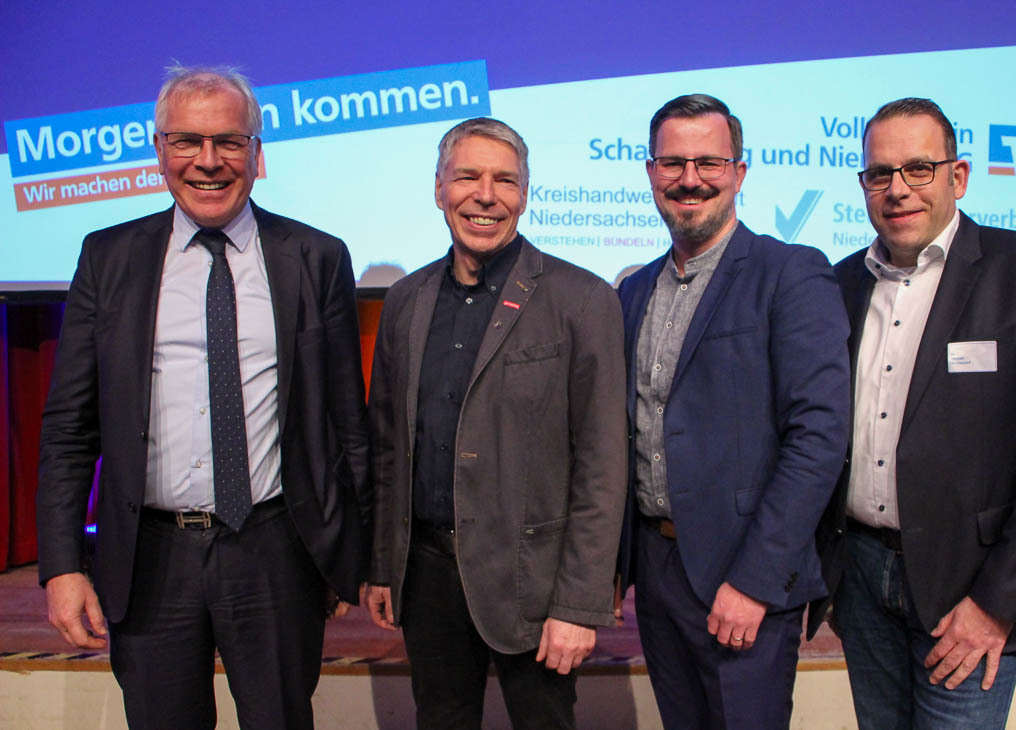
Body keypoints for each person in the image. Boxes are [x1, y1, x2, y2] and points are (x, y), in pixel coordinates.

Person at [36, 65, 370, 730]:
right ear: (159, 150)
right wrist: (62, 566)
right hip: (149, 557)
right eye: (187, 141)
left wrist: (349, 555)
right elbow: (69, 428)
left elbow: (345, 422)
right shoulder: (108, 257)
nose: (209, 161)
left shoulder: (315, 256)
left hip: (275, 549)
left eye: (230, 142)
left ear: (256, 152)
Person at [825, 97, 1016, 728]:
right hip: (862, 577)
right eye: (880, 173)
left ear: (959, 176)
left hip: (970, 589)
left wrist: (998, 601)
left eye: (918, 169)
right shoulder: (840, 284)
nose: (898, 189)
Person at [365, 117, 627, 729]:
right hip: (427, 577)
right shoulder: (404, 300)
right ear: (439, 189)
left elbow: (603, 465)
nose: (485, 196)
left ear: (525, 194)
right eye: (467, 177)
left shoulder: (582, 299)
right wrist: (382, 565)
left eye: (504, 180)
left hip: (535, 586)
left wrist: (578, 604)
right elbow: (389, 448)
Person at [615, 93, 851, 729]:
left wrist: (754, 579)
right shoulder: (633, 290)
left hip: (743, 574)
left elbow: (819, 437)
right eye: (672, 163)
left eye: (709, 163)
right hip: (658, 571)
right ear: (651, 172)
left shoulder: (790, 272)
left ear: (739, 172)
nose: (689, 179)